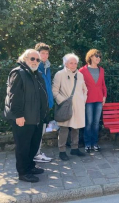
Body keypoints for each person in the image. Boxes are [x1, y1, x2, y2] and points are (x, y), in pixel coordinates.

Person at [3, 49, 49, 182]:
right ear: (24, 59)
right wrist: (18, 116)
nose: (35, 61)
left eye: (37, 60)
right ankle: (23, 173)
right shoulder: (19, 73)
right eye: (32, 59)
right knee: (23, 146)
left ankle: (30, 166)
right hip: (23, 118)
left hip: (36, 118)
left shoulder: (36, 74)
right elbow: (14, 97)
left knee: (33, 145)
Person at [52, 53, 87, 161]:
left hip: (78, 106)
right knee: (64, 128)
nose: (73, 65)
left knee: (76, 127)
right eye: (71, 63)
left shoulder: (80, 75)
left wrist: (83, 100)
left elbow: (84, 89)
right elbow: (54, 91)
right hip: (66, 106)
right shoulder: (59, 74)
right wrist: (63, 101)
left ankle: (74, 148)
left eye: (75, 63)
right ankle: (62, 151)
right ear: (65, 63)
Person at [79, 49, 107, 153]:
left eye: (100, 56)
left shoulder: (102, 70)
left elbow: (103, 84)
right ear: (90, 57)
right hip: (88, 100)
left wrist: (104, 96)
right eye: (96, 56)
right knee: (89, 122)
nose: (98, 58)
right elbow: (80, 86)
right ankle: (87, 144)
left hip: (99, 99)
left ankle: (95, 143)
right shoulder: (82, 70)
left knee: (96, 123)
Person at [33, 42, 53, 163]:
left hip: (47, 104)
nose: (45, 55)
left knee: (42, 130)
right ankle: (36, 153)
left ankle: (37, 152)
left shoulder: (47, 67)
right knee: (37, 130)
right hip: (38, 105)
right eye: (42, 53)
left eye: (46, 53)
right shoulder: (35, 67)